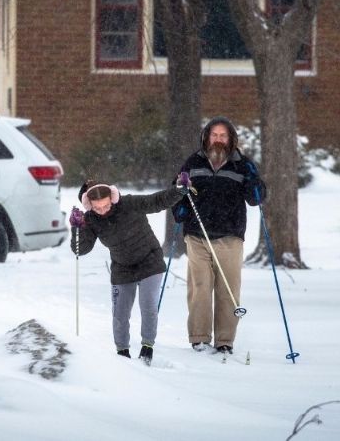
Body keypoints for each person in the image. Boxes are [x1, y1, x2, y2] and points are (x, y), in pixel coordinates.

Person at [69, 179, 189, 365]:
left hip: (149, 260)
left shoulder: (129, 204)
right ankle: (122, 353)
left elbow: (157, 201)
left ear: (113, 198)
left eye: (106, 206)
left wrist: (178, 190)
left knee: (147, 305)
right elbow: (80, 249)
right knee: (120, 313)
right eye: (97, 208)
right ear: (89, 205)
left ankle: (147, 347)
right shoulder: (91, 220)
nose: (103, 211)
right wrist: (77, 228)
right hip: (122, 267)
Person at [172, 116, 265, 356]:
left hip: (229, 236)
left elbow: (255, 199)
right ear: (206, 137)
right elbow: (177, 192)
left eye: (223, 135)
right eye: (214, 135)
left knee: (228, 289)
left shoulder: (242, 165)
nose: (218, 140)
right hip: (197, 235)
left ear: (231, 139)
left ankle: (225, 341)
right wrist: (179, 205)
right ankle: (199, 338)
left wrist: (254, 180)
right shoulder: (193, 161)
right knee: (200, 287)